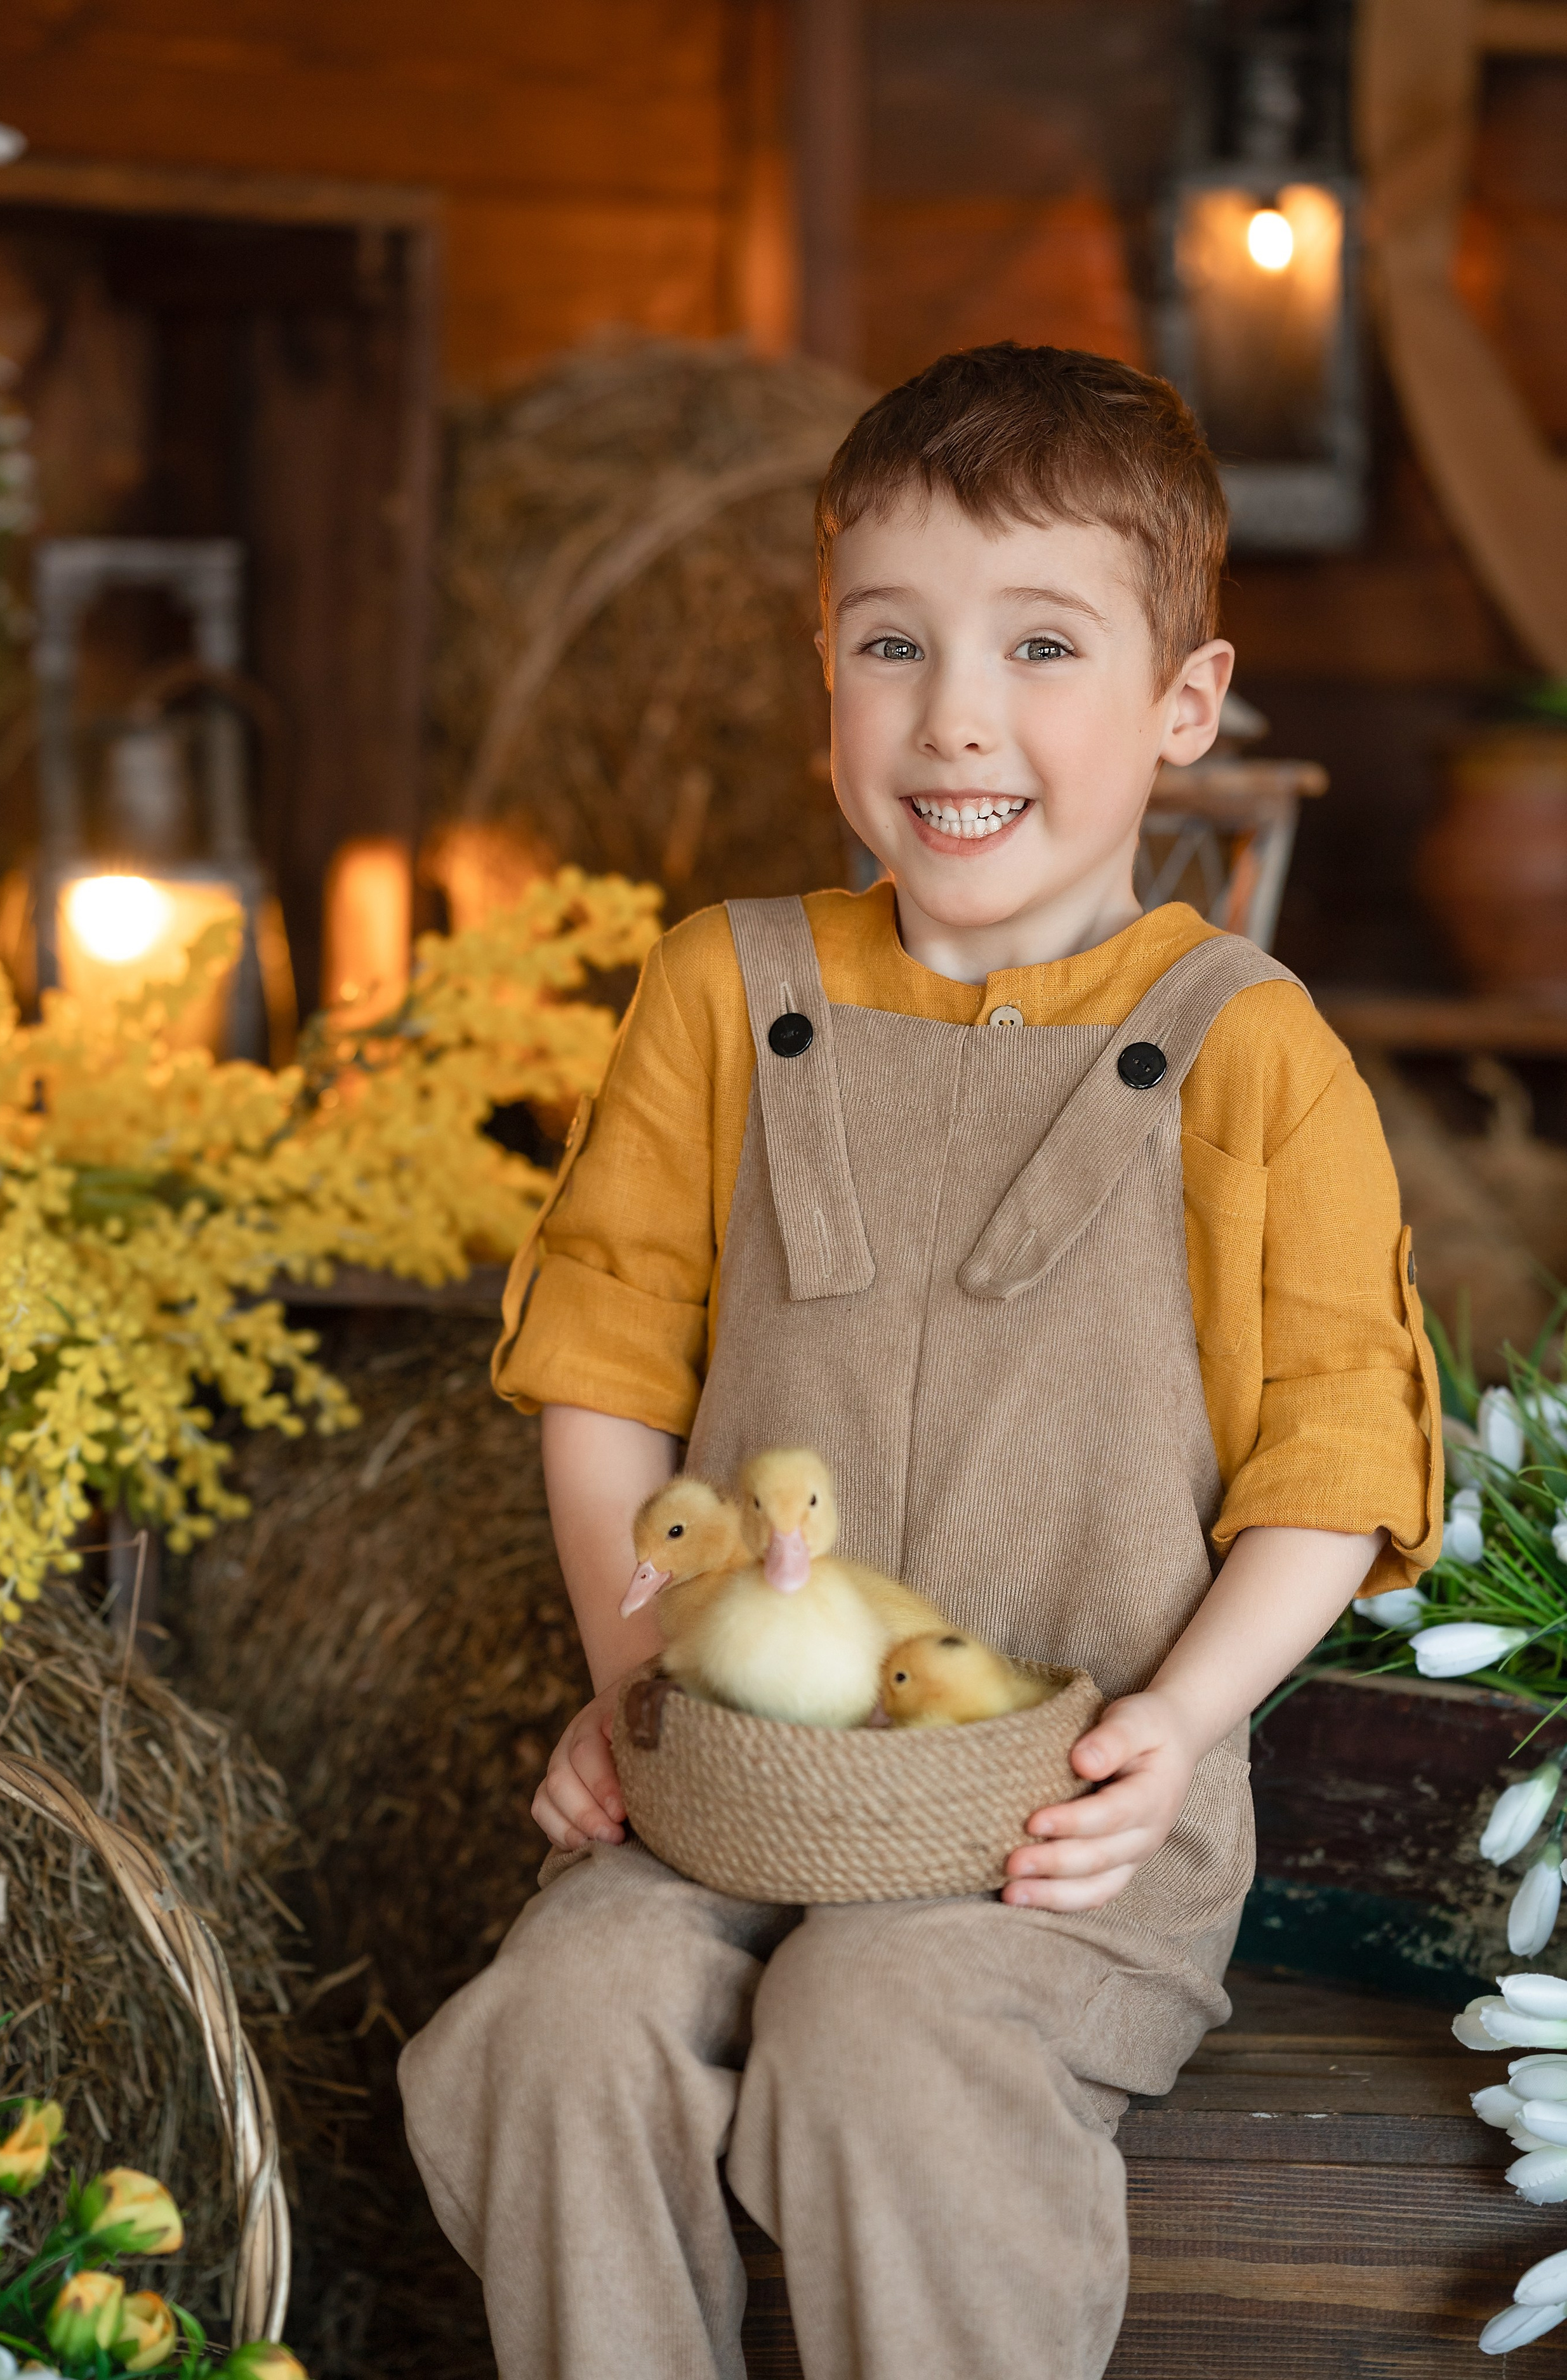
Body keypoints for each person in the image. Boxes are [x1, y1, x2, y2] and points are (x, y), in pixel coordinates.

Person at [399, 342, 1441, 2380]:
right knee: (556, 2025)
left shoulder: (1250, 1052)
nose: (955, 714)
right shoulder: (724, 992)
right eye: (893, 643)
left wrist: (1179, 1728)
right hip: (733, 1787)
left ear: (1186, 703)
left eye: (1041, 645)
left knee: (879, 2021)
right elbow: (606, 1358)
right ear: (826, 673)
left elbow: (1337, 1455)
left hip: (1060, 1833)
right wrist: (637, 1681)